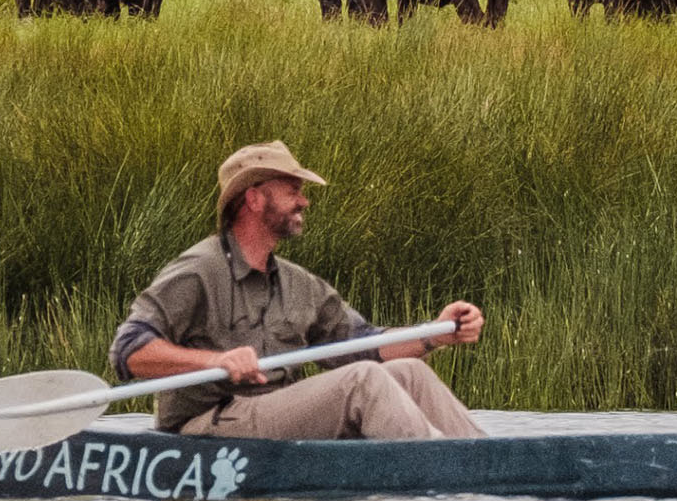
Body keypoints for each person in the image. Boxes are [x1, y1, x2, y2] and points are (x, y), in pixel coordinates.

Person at [108, 140, 487, 441]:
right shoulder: (198, 271)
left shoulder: (299, 284)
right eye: (292, 190)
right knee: (364, 382)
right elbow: (129, 349)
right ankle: (442, 469)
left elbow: (363, 344)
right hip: (208, 425)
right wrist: (214, 362)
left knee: (409, 372)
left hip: (275, 413)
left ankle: (493, 463)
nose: (304, 200)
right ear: (254, 199)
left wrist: (435, 334)